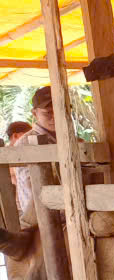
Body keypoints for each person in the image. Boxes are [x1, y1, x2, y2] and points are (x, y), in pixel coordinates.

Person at [13, 87, 57, 217]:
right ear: (34, 113)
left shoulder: (72, 139)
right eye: (48, 112)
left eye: (60, 110)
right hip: (40, 216)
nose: (54, 117)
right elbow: (30, 188)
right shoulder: (24, 144)